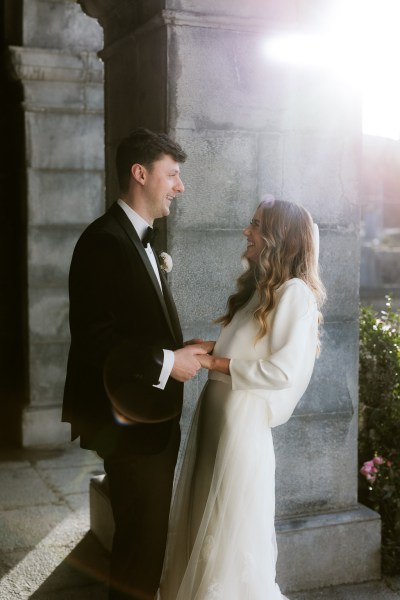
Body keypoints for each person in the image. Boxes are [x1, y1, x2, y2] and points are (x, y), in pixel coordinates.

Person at [62, 128, 211, 600]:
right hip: (130, 427)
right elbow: (94, 341)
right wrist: (168, 361)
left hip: (146, 423)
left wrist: (180, 347)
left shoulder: (139, 239)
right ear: (140, 173)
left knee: (144, 549)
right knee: (138, 557)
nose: (179, 186)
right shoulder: (104, 242)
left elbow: (130, 328)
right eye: (173, 174)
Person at [159, 198, 326, 600]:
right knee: (202, 521)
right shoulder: (261, 290)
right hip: (217, 421)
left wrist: (216, 362)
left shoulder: (295, 294)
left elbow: (282, 371)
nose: (246, 232)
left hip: (240, 429)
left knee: (226, 534)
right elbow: (255, 350)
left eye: (255, 225)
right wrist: (212, 346)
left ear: (278, 237)